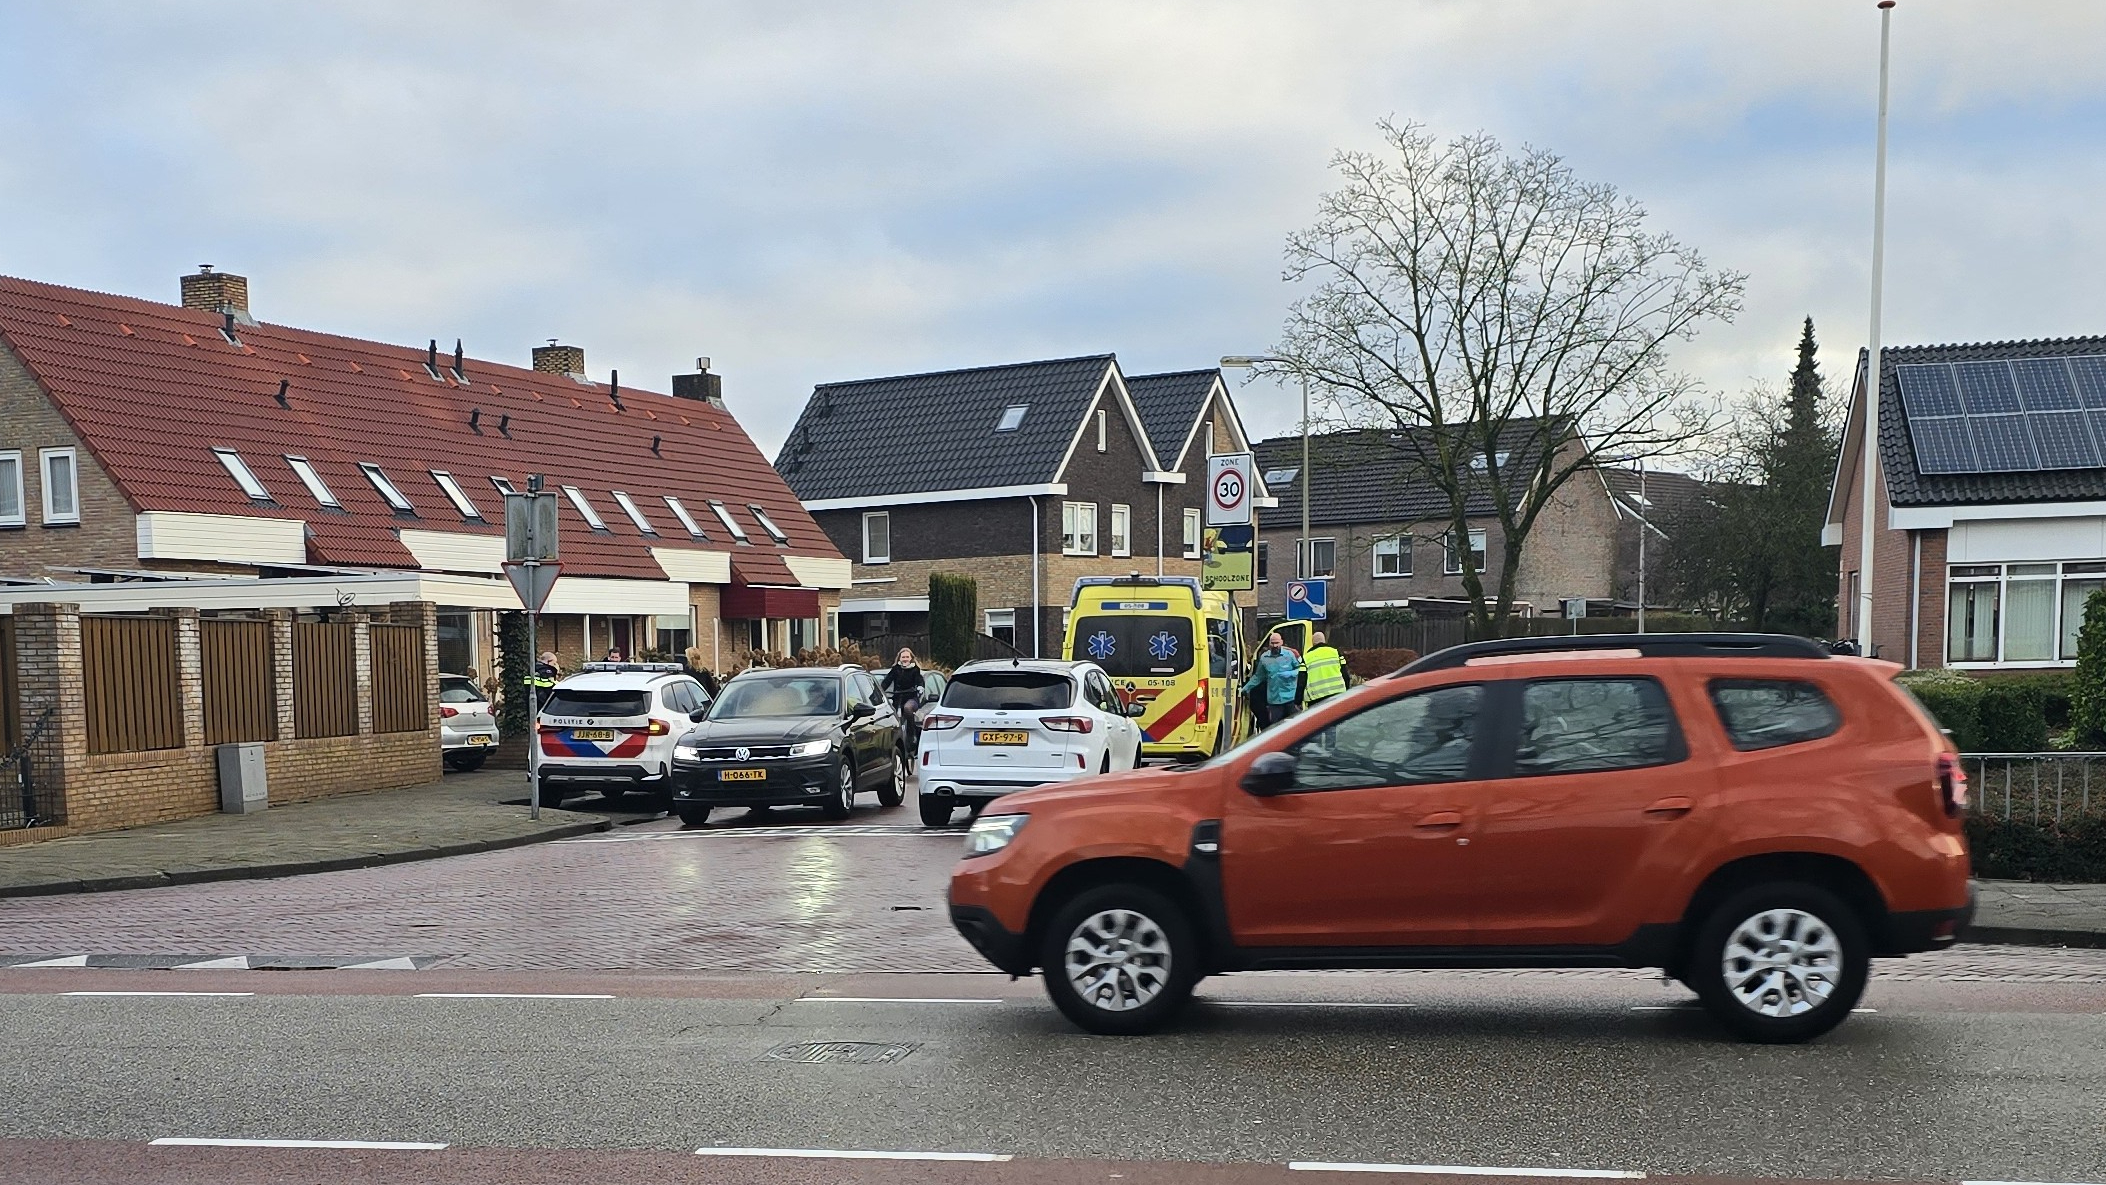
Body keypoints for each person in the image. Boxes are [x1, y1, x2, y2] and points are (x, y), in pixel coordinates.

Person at [1242, 633, 1304, 729]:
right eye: (1272, 643)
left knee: (1295, 727)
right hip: (1274, 701)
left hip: (1290, 698)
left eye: (1277, 643)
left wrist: (1291, 673)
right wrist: (1246, 687)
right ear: (1269, 644)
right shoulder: (1265, 658)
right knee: (1276, 729)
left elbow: (1300, 670)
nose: (1275, 645)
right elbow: (1258, 677)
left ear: (1282, 642)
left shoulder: (1290, 655)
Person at [1303, 631, 1349, 708]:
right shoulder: (1335, 652)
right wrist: (1347, 690)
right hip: (1337, 695)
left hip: (1316, 699)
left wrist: (1298, 701)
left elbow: (1302, 680)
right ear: (1324, 641)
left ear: (1313, 643)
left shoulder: (1307, 657)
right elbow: (1345, 675)